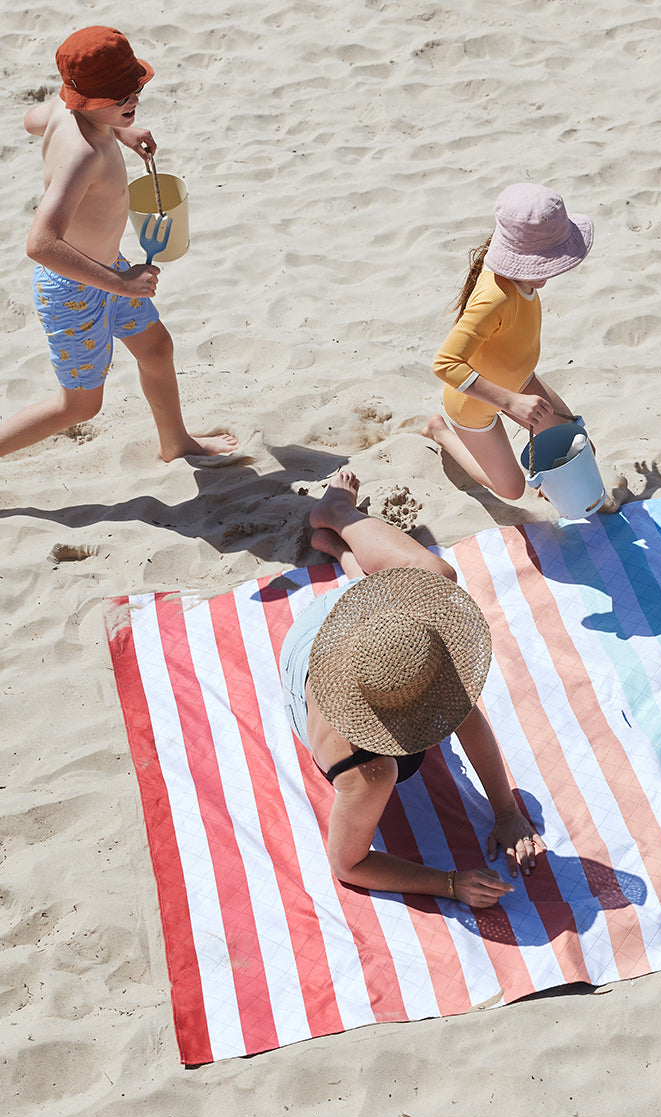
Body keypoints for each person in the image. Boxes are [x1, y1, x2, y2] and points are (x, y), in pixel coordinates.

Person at [280, 469, 545, 907]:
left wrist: (506, 812)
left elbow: (466, 718)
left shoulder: (401, 653)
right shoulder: (369, 769)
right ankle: (344, 541)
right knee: (427, 577)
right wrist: (450, 884)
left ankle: (341, 528)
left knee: (436, 574)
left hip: (346, 635)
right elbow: (348, 865)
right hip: (308, 650)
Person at [0, 27, 237, 462]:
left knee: (156, 348)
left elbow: (33, 120)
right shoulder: (83, 155)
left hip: (110, 269)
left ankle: (175, 442)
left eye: (133, 90)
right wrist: (122, 283)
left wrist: (118, 129)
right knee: (79, 406)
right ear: (87, 101)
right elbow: (40, 243)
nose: (131, 101)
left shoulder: (65, 109)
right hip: (74, 289)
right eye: (117, 97)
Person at [422, 183, 592, 501]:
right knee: (512, 489)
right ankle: (441, 432)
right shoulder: (495, 298)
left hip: (520, 380)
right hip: (472, 403)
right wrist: (511, 403)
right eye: (547, 260)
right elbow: (445, 364)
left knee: (579, 447)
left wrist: (517, 396)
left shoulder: (521, 277)